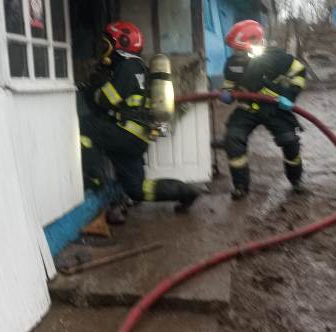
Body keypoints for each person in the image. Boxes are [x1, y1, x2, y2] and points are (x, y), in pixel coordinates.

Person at [80, 21, 200, 221]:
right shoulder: (139, 68)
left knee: (84, 126)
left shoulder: (128, 67)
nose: (103, 49)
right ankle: (185, 191)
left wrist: (93, 88)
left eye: (107, 44)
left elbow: (106, 100)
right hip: (136, 137)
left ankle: (95, 180)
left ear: (122, 43)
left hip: (125, 134)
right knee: (137, 189)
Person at [219, 20, 307, 200]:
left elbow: (299, 72)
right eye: (235, 50)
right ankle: (240, 186)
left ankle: (296, 180)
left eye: (240, 50)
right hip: (247, 108)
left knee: (289, 141)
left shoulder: (276, 58)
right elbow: (228, 85)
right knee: (233, 139)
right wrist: (226, 94)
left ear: (255, 43)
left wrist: (290, 95)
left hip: (275, 108)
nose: (237, 54)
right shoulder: (232, 63)